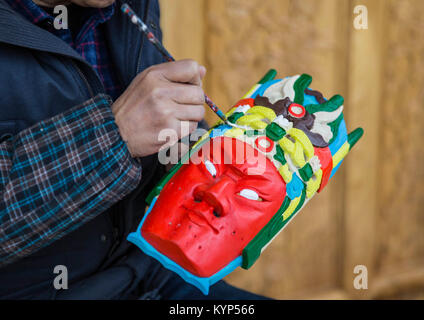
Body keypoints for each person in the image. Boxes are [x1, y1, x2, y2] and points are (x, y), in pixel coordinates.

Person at [0, 0, 268, 299]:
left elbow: (157, 124)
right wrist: (117, 134)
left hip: (153, 271)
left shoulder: (130, 6)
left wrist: (193, 150)